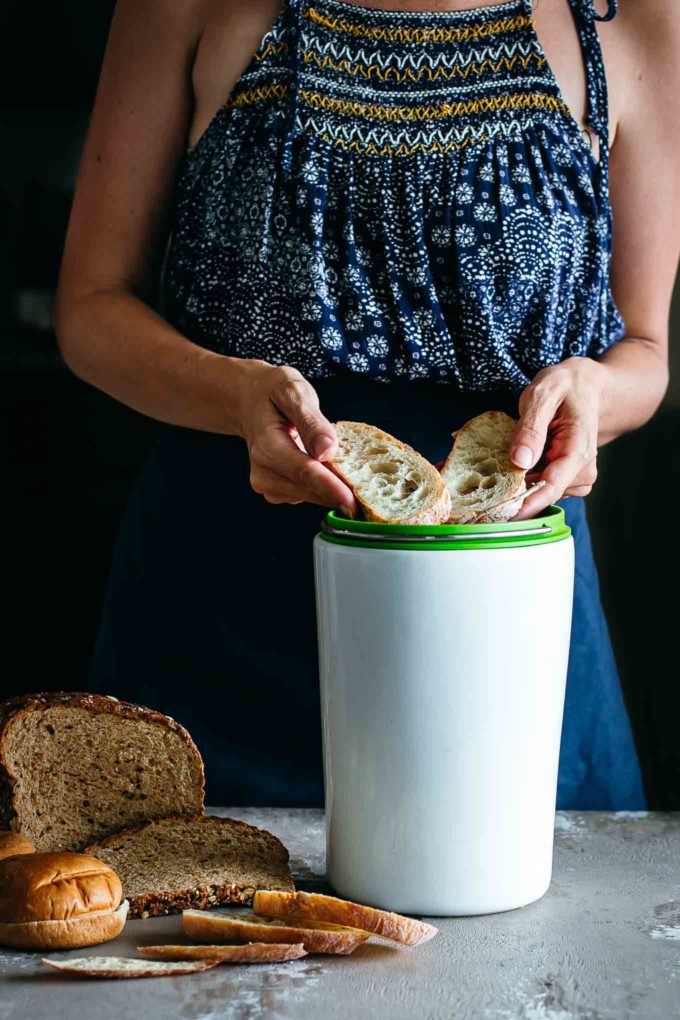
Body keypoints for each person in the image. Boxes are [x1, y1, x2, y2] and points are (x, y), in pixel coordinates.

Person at [55, 0, 678, 809]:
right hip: (221, 610)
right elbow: (92, 307)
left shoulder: (634, 14)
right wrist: (235, 393)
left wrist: (593, 392)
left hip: (507, 629)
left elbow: (647, 351)